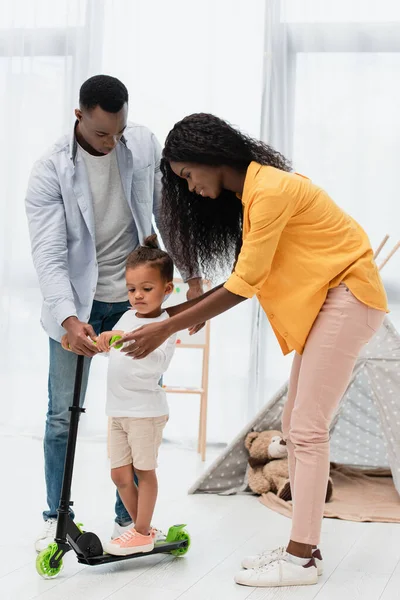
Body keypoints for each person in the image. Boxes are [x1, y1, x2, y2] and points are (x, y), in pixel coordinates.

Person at [117, 113, 388, 588]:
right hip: (331, 301)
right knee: (294, 426)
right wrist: (180, 314)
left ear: (209, 156)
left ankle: (302, 558)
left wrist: (166, 326)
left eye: (187, 176)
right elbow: (249, 276)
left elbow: (246, 283)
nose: (191, 188)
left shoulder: (272, 192)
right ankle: (301, 548)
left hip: (348, 296)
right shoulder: (256, 193)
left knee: (305, 428)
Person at [25, 76, 203, 553]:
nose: (113, 141)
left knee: (137, 408)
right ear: (79, 117)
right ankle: (55, 517)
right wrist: (68, 320)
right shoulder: (48, 172)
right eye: (103, 133)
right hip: (76, 304)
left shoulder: (141, 143)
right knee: (62, 413)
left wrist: (194, 279)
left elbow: (167, 214)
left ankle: (133, 522)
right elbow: (49, 256)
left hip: (136, 299)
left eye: (119, 131)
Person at [62, 235, 176, 555]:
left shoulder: (164, 324)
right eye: (132, 289)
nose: (137, 296)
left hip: (145, 412)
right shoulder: (128, 316)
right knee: (119, 474)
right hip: (119, 410)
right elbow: (116, 350)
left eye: (146, 289)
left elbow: (156, 359)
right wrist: (91, 344)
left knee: (143, 471)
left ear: (166, 289)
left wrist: (122, 338)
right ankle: (145, 528)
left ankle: (139, 531)